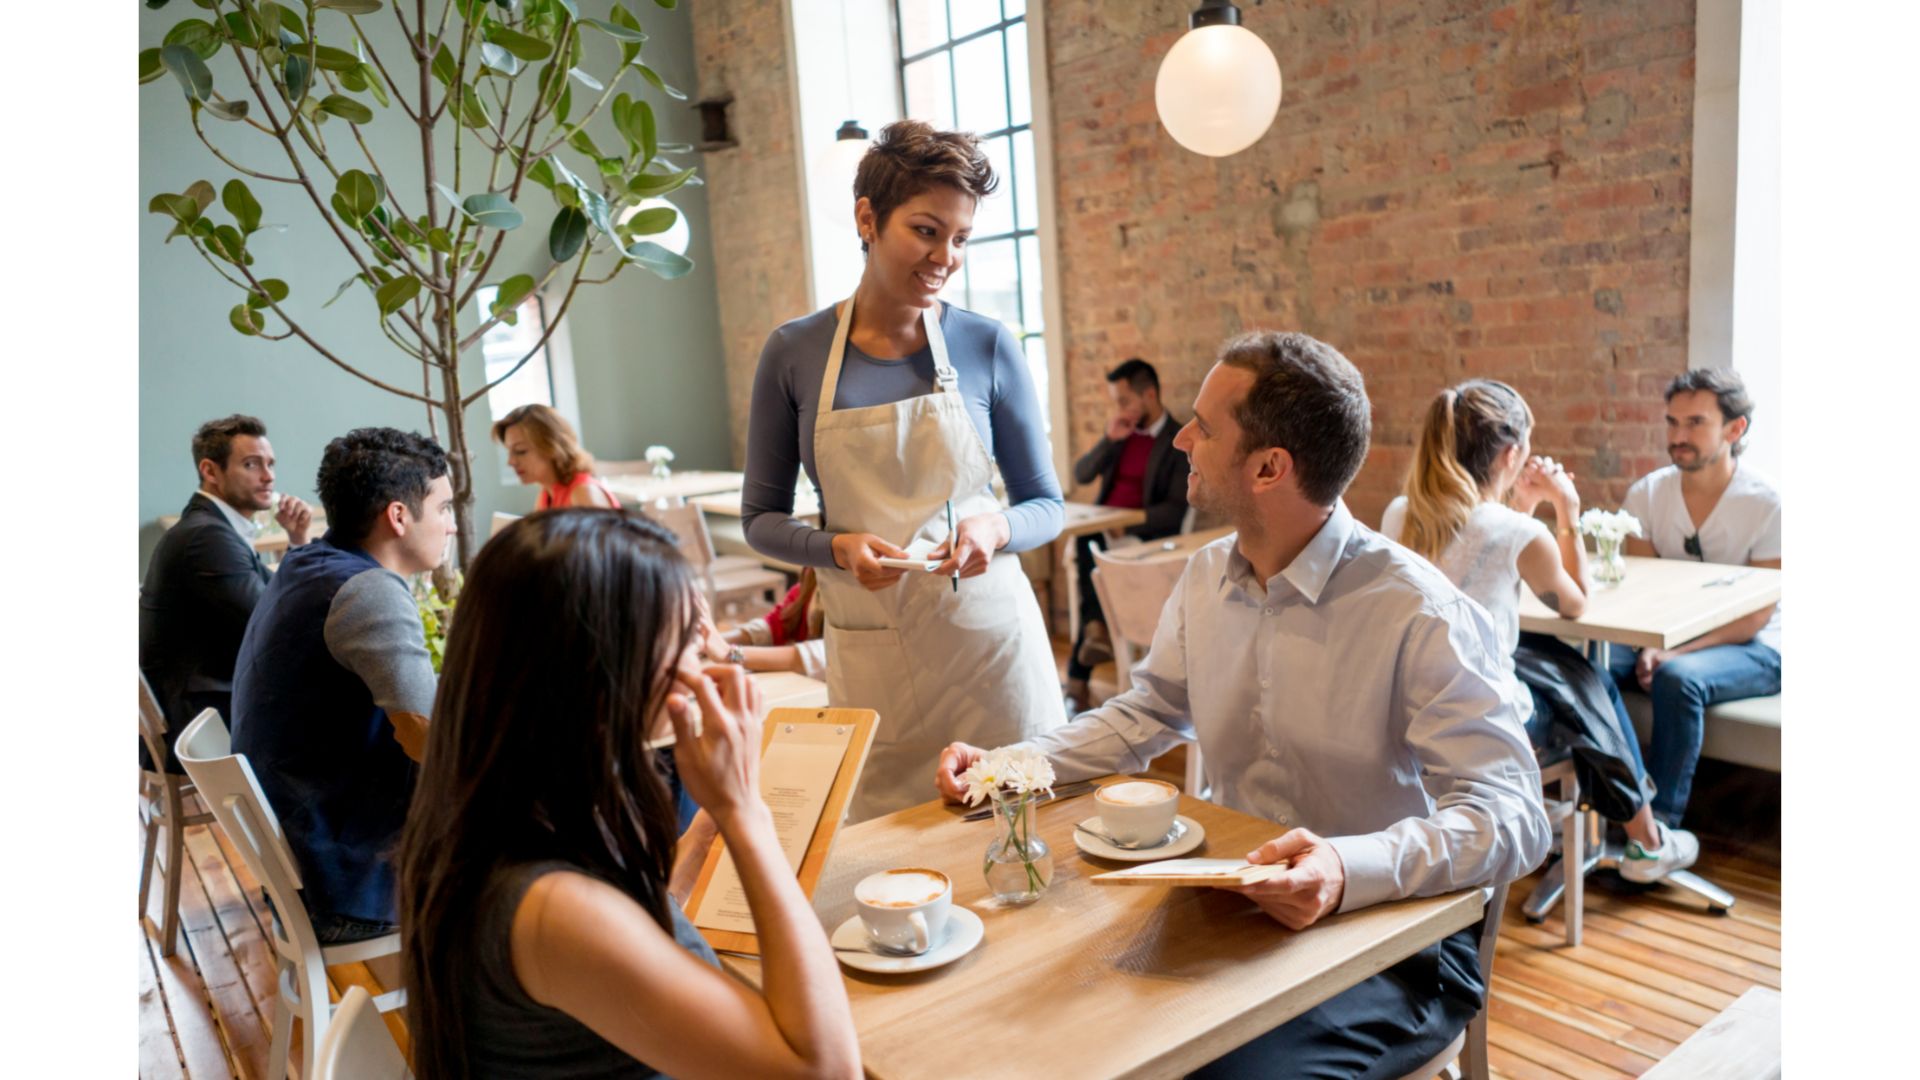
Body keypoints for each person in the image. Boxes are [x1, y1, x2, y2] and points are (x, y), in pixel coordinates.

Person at [936, 331, 1551, 1078]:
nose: (1182, 440)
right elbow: (1143, 716)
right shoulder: (1202, 579)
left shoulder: (1418, 610)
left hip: (1390, 942)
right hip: (1227, 909)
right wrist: (1008, 765)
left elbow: (1514, 817)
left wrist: (1344, 867)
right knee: (1035, 1024)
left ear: (1269, 467)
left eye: (1204, 426)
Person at [397, 510, 861, 1079]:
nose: (707, 661)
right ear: (605, 667)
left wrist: (700, 839)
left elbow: (632, 926)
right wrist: (744, 812)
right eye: (687, 639)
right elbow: (826, 1070)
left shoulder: (503, 808)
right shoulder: (551, 909)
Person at [741, 120, 1065, 821]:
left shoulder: (986, 345)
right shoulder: (794, 353)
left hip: (993, 662)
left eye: (961, 238)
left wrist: (996, 528)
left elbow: (1046, 504)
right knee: (892, 870)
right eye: (926, 230)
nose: (945, 256)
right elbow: (759, 519)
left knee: (1020, 858)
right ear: (867, 218)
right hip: (873, 664)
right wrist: (834, 548)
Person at [1382, 380, 1699, 884]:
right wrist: (1565, 508)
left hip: (1406, 704)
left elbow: (1482, 569)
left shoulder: (1401, 513)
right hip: (1481, 715)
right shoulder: (1517, 532)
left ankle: (1622, 833)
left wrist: (1521, 508)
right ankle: (1645, 839)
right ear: (1511, 454)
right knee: (1586, 682)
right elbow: (1575, 602)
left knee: (1567, 669)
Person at [231, 427, 453, 943]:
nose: (451, 526)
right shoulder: (367, 590)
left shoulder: (308, 562)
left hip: (311, 853)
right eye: (442, 509)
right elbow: (429, 738)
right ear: (398, 516)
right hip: (349, 877)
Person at [1611, 368, 1780, 826]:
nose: (1678, 436)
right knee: (1591, 662)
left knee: (1678, 678)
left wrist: (1673, 651)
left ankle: (1658, 830)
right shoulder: (1647, 494)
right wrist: (1651, 644)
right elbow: (1642, 590)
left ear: (1735, 428)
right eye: (1672, 422)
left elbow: (1756, 615)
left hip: (1757, 646)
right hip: (1665, 635)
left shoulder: (1767, 503)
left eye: (1695, 423)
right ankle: (1621, 803)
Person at [139, 415, 314, 771]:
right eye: (252, 465)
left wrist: (297, 541)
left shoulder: (212, 528)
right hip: (197, 724)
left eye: (270, 464)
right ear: (210, 470)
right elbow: (275, 624)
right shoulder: (206, 537)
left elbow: (275, 598)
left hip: (201, 704)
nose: (269, 476)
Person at [1064, 358, 1190, 710]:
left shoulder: (1176, 441)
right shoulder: (1121, 436)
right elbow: (1083, 474)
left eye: (1124, 401)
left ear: (1149, 395)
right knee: (1088, 539)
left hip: (1141, 539)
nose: (1119, 410)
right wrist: (1108, 439)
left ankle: (1079, 676)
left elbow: (1176, 510)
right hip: (1102, 534)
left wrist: (1130, 522)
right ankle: (1094, 629)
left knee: (1091, 543)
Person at [701, 568, 827, 679]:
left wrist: (729, 654)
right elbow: (777, 624)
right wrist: (708, 640)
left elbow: (821, 655)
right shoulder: (813, 577)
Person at [492, 403, 621, 509]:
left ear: (552, 447)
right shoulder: (546, 494)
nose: (511, 462)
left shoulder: (583, 493)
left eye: (520, 451)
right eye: (509, 451)